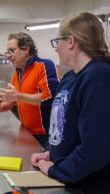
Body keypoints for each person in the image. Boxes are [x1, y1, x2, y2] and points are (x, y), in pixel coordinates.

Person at [31, 12, 110, 193]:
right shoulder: (69, 78)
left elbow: (95, 150)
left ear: (71, 41)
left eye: (57, 41)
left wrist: (55, 170)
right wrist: (50, 153)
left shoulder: (99, 76)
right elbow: (66, 129)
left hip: (90, 186)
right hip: (69, 179)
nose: (56, 48)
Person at [0, 33, 60, 148]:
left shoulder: (44, 66)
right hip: (26, 132)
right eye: (8, 52)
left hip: (46, 136)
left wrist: (18, 96)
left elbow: (51, 98)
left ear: (26, 49)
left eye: (12, 50)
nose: (9, 56)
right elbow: (12, 102)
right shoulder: (17, 74)